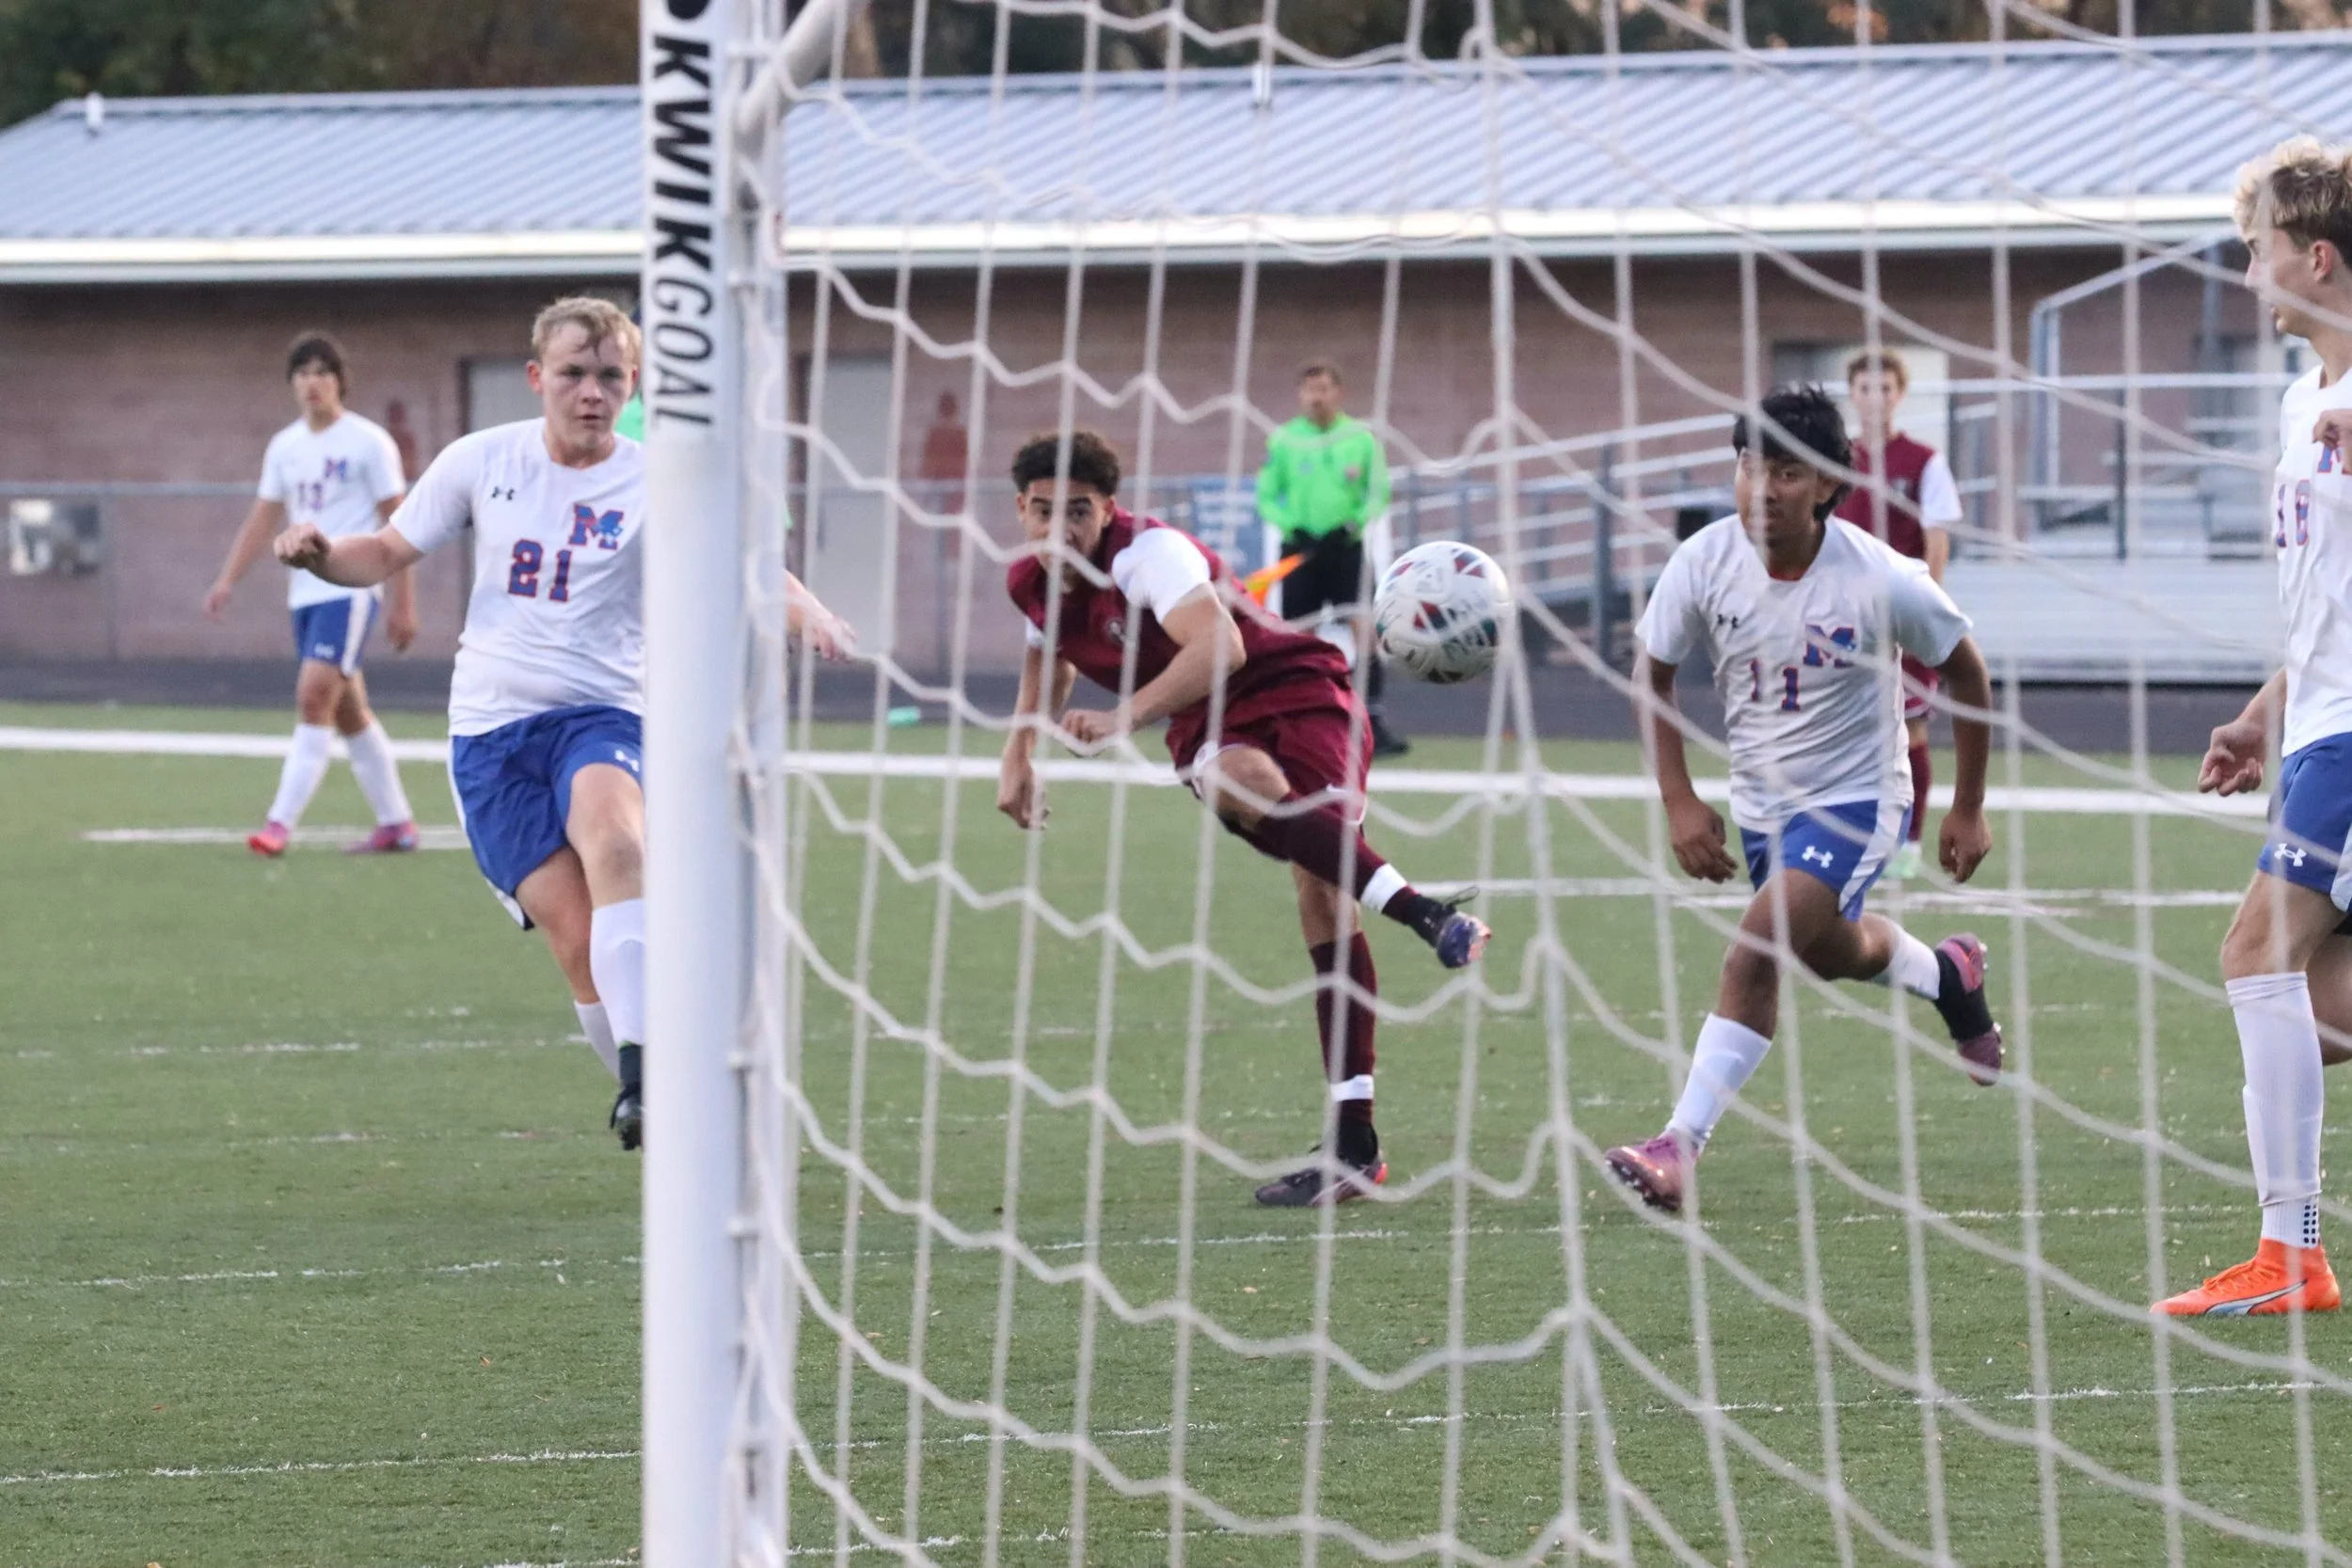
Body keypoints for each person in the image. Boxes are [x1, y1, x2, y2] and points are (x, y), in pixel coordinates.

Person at [276, 296, 852, 1149]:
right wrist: (323, 554)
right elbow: (386, 551)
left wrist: (811, 613)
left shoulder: (660, 476)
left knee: (617, 842)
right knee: (577, 941)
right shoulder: (482, 461)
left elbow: (752, 563)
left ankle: (652, 1088)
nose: (592, 392)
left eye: (611, 377)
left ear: (634, 384)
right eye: (574, 373)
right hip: (491, 736)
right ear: (537, 376)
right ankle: (655, 1097)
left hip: (602, 712)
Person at [997, 429, 1487, 1206]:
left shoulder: (1147, 555)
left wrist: (1123, 716)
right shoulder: (1030, 580)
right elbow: (1048, 657)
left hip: (1297, 686)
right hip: (1208, 718)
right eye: (1045, 511)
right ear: (1021, 510)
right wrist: (1018, 756)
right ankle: (1422, 914)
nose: (1062, 530)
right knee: (1241, 782)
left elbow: (1222, 645)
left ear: (1109, 509)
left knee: (1321, 888)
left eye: (1079, 512)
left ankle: (1356, 1141)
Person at [1601, 386, 2002, 1215]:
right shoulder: (1703, 561)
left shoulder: (1882, 577)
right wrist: (1679, 800)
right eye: (1751, 465)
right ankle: (1949, 974)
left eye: (1787, 472)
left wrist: (1966, 806)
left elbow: (1968, 674)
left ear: (1827, 484)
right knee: (1827, 951)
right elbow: (1653, 675)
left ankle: (1678, 1145)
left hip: (1859, 797)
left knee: (1755, 950)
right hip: (1763, 807)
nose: (1764, 488)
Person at [2153, 138, 2352, 1317]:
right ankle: (2293, 1255)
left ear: (2315, 258)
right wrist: (2259, 712)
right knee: (2314, 1003)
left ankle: (2292, 1253)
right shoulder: (2298, 403)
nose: (2245, 273)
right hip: (2315, 727)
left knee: (2252, 955)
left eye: (2255, 249)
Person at [205, 332, 421, 856]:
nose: (312, 382)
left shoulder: (368, 442)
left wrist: (404, 602)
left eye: (323, 372)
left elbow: (401, 524)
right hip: (304, 594)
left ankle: (278, 825)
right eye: (302, 373)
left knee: (312, 697)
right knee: (349, 713)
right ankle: (397, 824)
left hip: (350, 589)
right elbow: (264, 517)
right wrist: (228, 579)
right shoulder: (285, 447)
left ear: (340, 381)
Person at [1835, 349, 1963, 883]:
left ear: (1900, 395)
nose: (1875, 398)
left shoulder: (1924, 462)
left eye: (1885, 388)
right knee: (1842, 734)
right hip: (1843, 620)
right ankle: (1850, 836)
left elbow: (1937, 542)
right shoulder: (1833, 460)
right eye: (1865, 388)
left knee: (1909, 732)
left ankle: (1908, 843)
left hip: (1901, 619)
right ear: (1852, 395)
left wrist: (1924, 609)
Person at [1254, 361, 1409, 758]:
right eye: (1310, 390)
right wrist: (1292, 526)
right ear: (1300, 395)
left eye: (1324, 389)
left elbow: (1378, 492)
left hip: (1345, 548)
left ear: (1338, 393)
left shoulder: (1360, 439)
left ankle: (1371, 720)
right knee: (1297, 636)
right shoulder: (1285, 440)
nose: (1317, 397)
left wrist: (1353, 524)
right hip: (1301, 549)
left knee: (1365, 628)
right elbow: (1266, 495)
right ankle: (1297, 720)